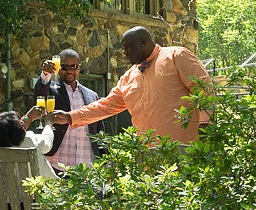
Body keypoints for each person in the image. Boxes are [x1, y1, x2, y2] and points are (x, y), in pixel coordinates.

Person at [53, 26, 211, 143]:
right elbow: (105, 106)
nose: (124, 53)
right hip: (146, 156)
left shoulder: (177, 56)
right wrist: (70, 116)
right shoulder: (128, 77)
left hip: (182, 150)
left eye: (128, 48)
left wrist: (205, 124)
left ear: (143, 43)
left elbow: (204, 89)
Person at [33, 49, 104, 173]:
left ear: (79, 67)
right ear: (58, 67)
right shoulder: (51, 89)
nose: (70, 71)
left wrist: (105, 158)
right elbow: (39, 95)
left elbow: (99, 129)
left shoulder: (91, 95)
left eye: (74, 67)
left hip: (86, 166)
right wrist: (45, 74)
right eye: (65, 67)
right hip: (57, 164)